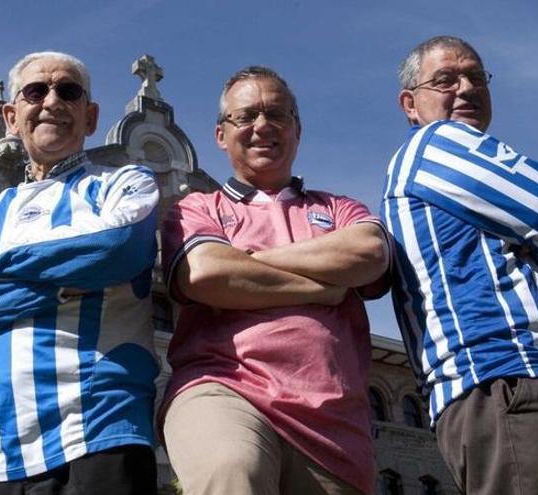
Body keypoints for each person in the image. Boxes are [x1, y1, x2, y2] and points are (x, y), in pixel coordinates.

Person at [0, 51, 159, 494]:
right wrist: (73, 286)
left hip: (99, 434)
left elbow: (116, 248)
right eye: (36, 91)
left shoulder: (124, 184)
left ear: (90, 118)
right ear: (13, 116)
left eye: (68, 91)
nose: (52, 101)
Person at [381, 36, 538, 494]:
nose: (464, 89)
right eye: (444, 80)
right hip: (511, 376)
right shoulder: (437, 143)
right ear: (410, 103)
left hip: (506, 388)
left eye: (476, 77)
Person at [159, 66, 390, 495]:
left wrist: (247, 263)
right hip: (223, 385)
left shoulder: (340, 208)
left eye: (276, 114)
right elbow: (206, 273)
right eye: (245, 116)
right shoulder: (195, 208)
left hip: (332, 422)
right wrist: (323, 286)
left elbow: (370, 254)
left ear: (296, 129)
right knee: (232, 468)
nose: (262, 125)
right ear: (220, 135)